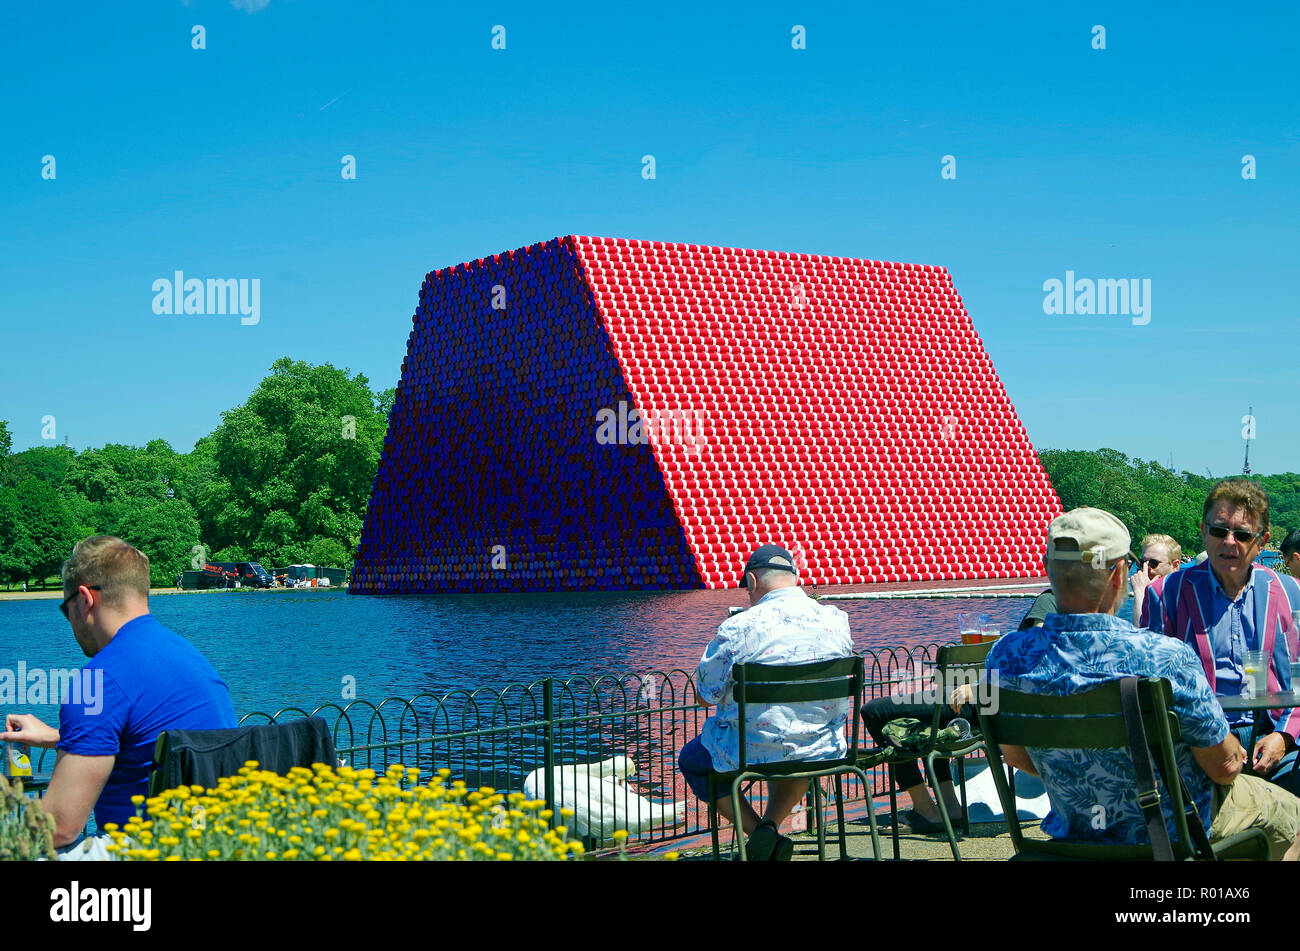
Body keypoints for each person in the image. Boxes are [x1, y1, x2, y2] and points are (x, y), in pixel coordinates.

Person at [987, 506, 1300, 858]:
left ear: (1049, 570)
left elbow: (1015, 756)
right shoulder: (1163, 657)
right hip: (1171, 832)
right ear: (1118, 575)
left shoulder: (1005, 658)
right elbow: (1223, 768)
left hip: (1078, 827)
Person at [0, 536, 236, 851]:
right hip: (214, 842)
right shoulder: (192, 658)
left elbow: (58, 828)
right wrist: (60, 737)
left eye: (66, 610)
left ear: (84, 600)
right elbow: (157, 741)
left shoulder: (98, 680)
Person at [677, 544, 853, 861]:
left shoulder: (739, 626)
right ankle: (770, 829)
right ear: (794, 576)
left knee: (693, 759)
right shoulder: (836, 620)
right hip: (821, 746)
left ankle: (759, 832)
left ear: (753, 582)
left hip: (753, 748)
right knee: (798, 745)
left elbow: (705, 695)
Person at [1140, 480, 1300, 796]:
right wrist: (1211, 743)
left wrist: (1285, 736)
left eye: (1241, 535)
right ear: (1203, 531)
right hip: (1196, 742)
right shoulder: (1165, 594)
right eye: (1218, 531)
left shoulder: (1290, 592)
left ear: (1262, 541)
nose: (1229, 542)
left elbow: (1299, 676)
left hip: (1270, 732)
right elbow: (1151, 686)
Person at [1128, 533, 1182, 625]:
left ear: (1175, 566)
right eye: (1142, 562)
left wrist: (1141, 592)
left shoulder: (1182, 600)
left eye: (1153, 563)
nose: (1145, 568)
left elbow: (1141, 635)